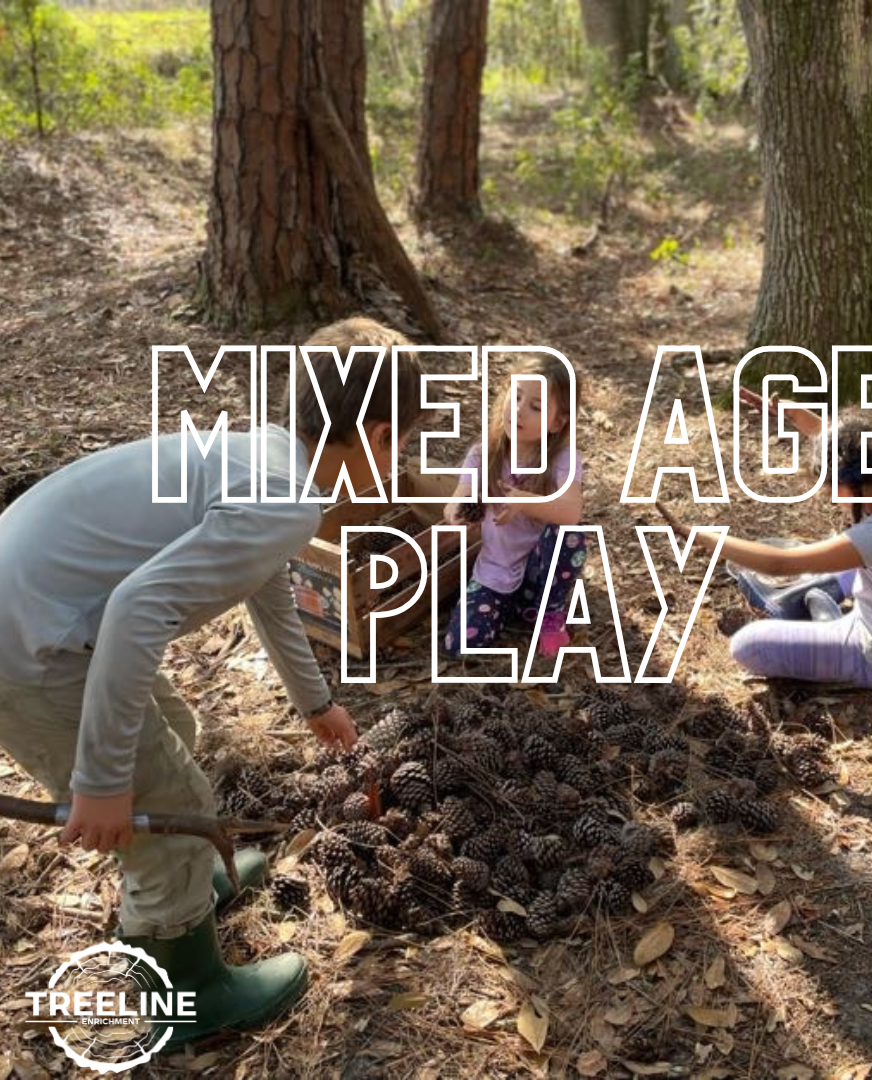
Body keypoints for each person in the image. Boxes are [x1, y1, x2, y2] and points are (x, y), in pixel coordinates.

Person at [0, 317, 422, 1044]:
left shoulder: (265, 457)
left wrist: (315, 701)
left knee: (177, 736)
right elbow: (137, 608)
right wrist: (101, 780)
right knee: (166, 803)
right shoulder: (288, 500)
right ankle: (184, 991)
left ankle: (187, 884)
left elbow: (267, 586)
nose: (402, 460)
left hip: (43, 612)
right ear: (379, 436)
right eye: (405, 445)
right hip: (33, 648)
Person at [660, 389, 872, 690]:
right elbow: (851, 449)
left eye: (831, 493)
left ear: (846, 488)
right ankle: (818, 603)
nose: (834, 500)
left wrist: (703, 536)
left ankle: (825, 616)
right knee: (842, 556)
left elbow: (778, 563)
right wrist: (791, 413)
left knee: (748, 645)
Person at [443, 354, 586, 658]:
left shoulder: (563, 459)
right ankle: (507, 608)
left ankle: (548, 613)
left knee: (570, 536)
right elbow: (456, 500)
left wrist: (523, 501)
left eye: (535, 407)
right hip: (495, 569)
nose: (519, 410)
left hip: (540, 570)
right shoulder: (483, 455)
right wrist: (462, 512)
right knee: (460, 645)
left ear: (558, 422)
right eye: (516, 395)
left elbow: (571, 512)